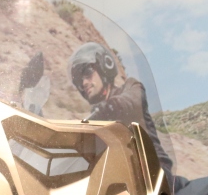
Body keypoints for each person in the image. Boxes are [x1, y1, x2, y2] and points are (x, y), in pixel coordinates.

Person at [68, 42, 174, 175]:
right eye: (79, 80)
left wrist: (108, 107)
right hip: (123, 178)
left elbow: (133, 101)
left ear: (104, 67)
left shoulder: (131, 87)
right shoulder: (95, 117)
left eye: (88, 73)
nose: (84, 83)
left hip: (154, 172)